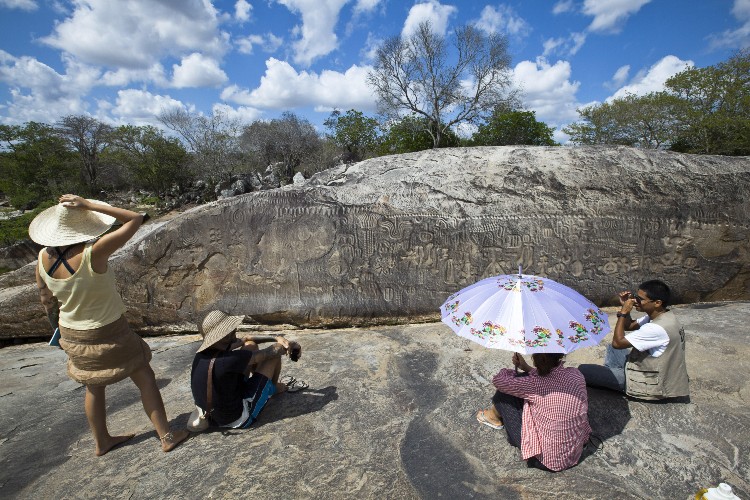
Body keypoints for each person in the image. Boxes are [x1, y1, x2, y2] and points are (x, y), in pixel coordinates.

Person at [30, 194, 189, 456]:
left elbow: (46, 300)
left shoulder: (41, 259)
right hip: (108, 329)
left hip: (72, 332)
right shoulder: (93, 254)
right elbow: (135, 218)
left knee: (94, 385)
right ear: (82, 227)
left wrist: (55, 331)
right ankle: (167, 436)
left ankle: (102, 441)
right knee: (145, 377)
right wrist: (90, 205)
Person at [190, 310, 307, 429]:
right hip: (238, 417)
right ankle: (273, 388)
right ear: (222, 336)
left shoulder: (204, 354)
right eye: (231, 333)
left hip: (215, 414)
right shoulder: (228, 360)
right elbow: (272, 352)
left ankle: (264, 386)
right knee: (273, 357)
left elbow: (246, 339)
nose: (235, 336)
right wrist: (291, 345)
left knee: (250, 345)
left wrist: (276, 337)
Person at [476, 352, 591, 472]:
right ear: (561, 354)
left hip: (546, 461)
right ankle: (493, 414)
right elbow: (548, 378)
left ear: (535, 359)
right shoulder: (576, 375)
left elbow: (499, 381)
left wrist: (510, 372)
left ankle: (492, 417)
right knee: (528, 389)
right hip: (575, 451)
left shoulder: (534, 383)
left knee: (503, 395)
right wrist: (526, 368)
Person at [578, 280, 689, 401]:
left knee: (583, 370)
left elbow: (618, 343)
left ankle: (614, 381)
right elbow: (629, 326)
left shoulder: (656, 328)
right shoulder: (663, 316)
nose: (635, 301)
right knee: (611, 349)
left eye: (640, 299)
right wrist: (625, 307)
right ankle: (613, 377)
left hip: (649, 383)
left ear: (657, 303)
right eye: (635, 297)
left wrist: (623, 313)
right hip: (655, 372)